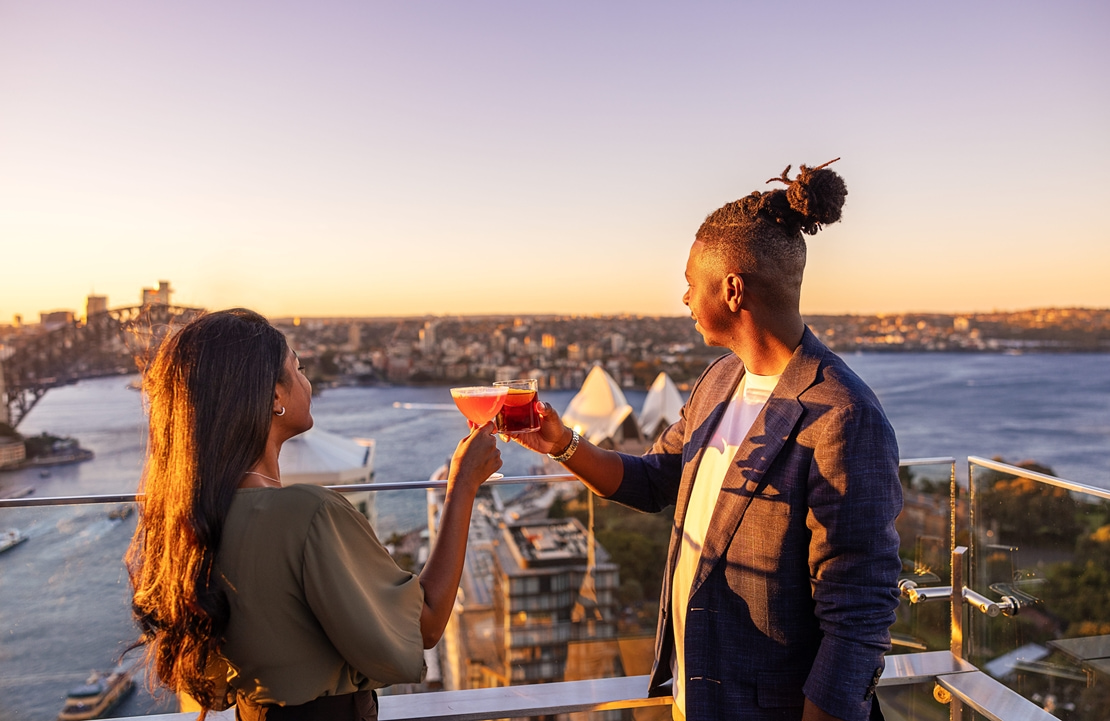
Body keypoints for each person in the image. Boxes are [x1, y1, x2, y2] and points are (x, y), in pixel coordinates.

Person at [516, 160, 903, 721]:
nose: (684, 299)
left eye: (690, 284)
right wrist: (562, 443)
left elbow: (859, 615)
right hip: (697, 696)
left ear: (732, 290)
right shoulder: (720, 380)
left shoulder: (843, 416)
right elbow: (654, 480)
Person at [126, 309, 502, 721]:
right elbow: (424, 627)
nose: (309, 381)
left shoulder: (192, 519)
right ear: (273, 396)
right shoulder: (309, 515)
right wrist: (462, 484)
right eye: (299, 368)